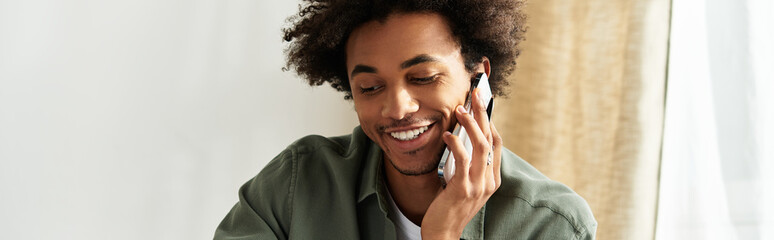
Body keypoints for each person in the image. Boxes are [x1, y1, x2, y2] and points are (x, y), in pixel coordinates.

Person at [215, 0, 597, 239]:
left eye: (423, 78)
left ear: (478, 78)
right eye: (370, 87)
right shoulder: (296, 185)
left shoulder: (552, 226)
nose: (397, 108)